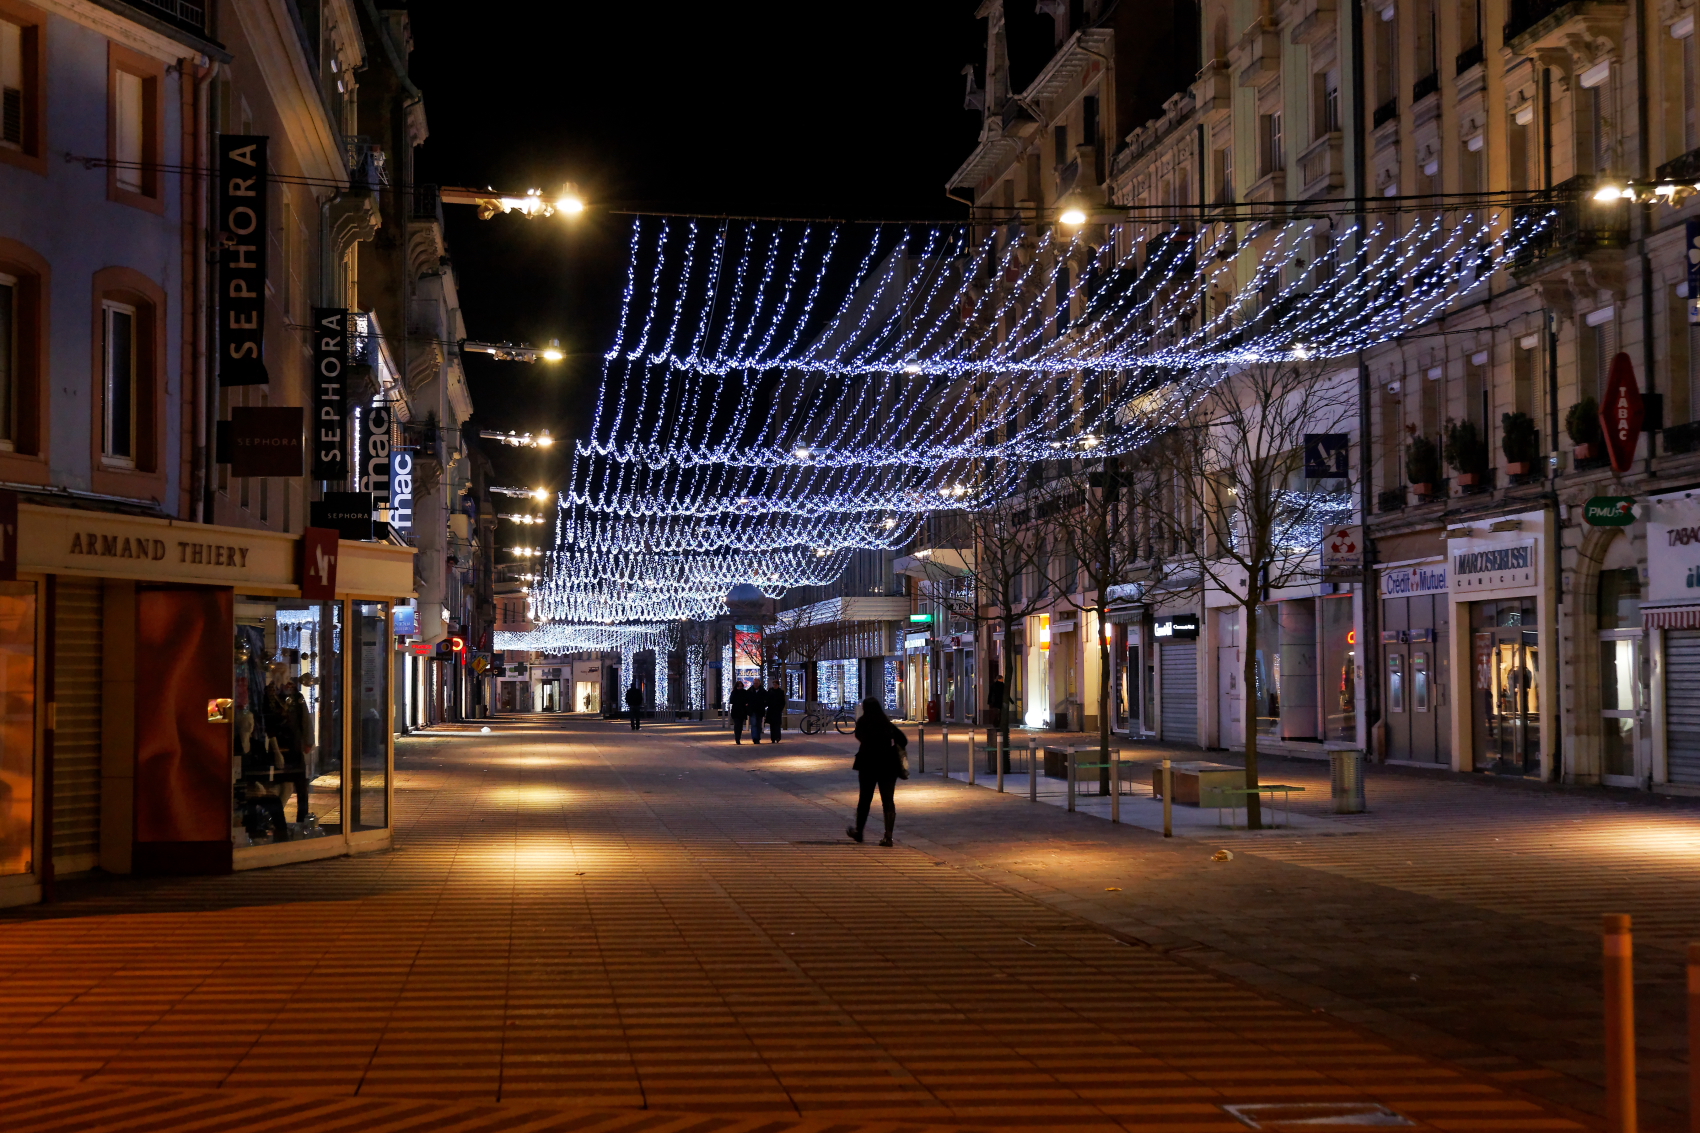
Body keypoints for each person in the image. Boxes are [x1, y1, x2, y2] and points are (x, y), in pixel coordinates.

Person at [847, 697, 907, 847]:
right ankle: (888, 836)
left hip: (868, 764)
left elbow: (859, 736)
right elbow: (903, 739)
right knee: (888, 800)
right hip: (888, 765)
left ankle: (859, 832)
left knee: (865, 799)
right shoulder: (886, 723)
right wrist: (892, 748)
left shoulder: (863, 722)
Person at [747, 677, 766, 744]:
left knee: (758, 724)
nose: (755, 684)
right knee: (754, 724)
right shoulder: (750, 691)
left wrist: (763, 705)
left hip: (760, 710)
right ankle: (755, 738)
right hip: (752, 710)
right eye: (754, 683)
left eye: (757, 683)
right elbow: (747, 699)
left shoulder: (763, 691)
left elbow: (766, 700)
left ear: (759, 683)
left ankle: (758, 737)